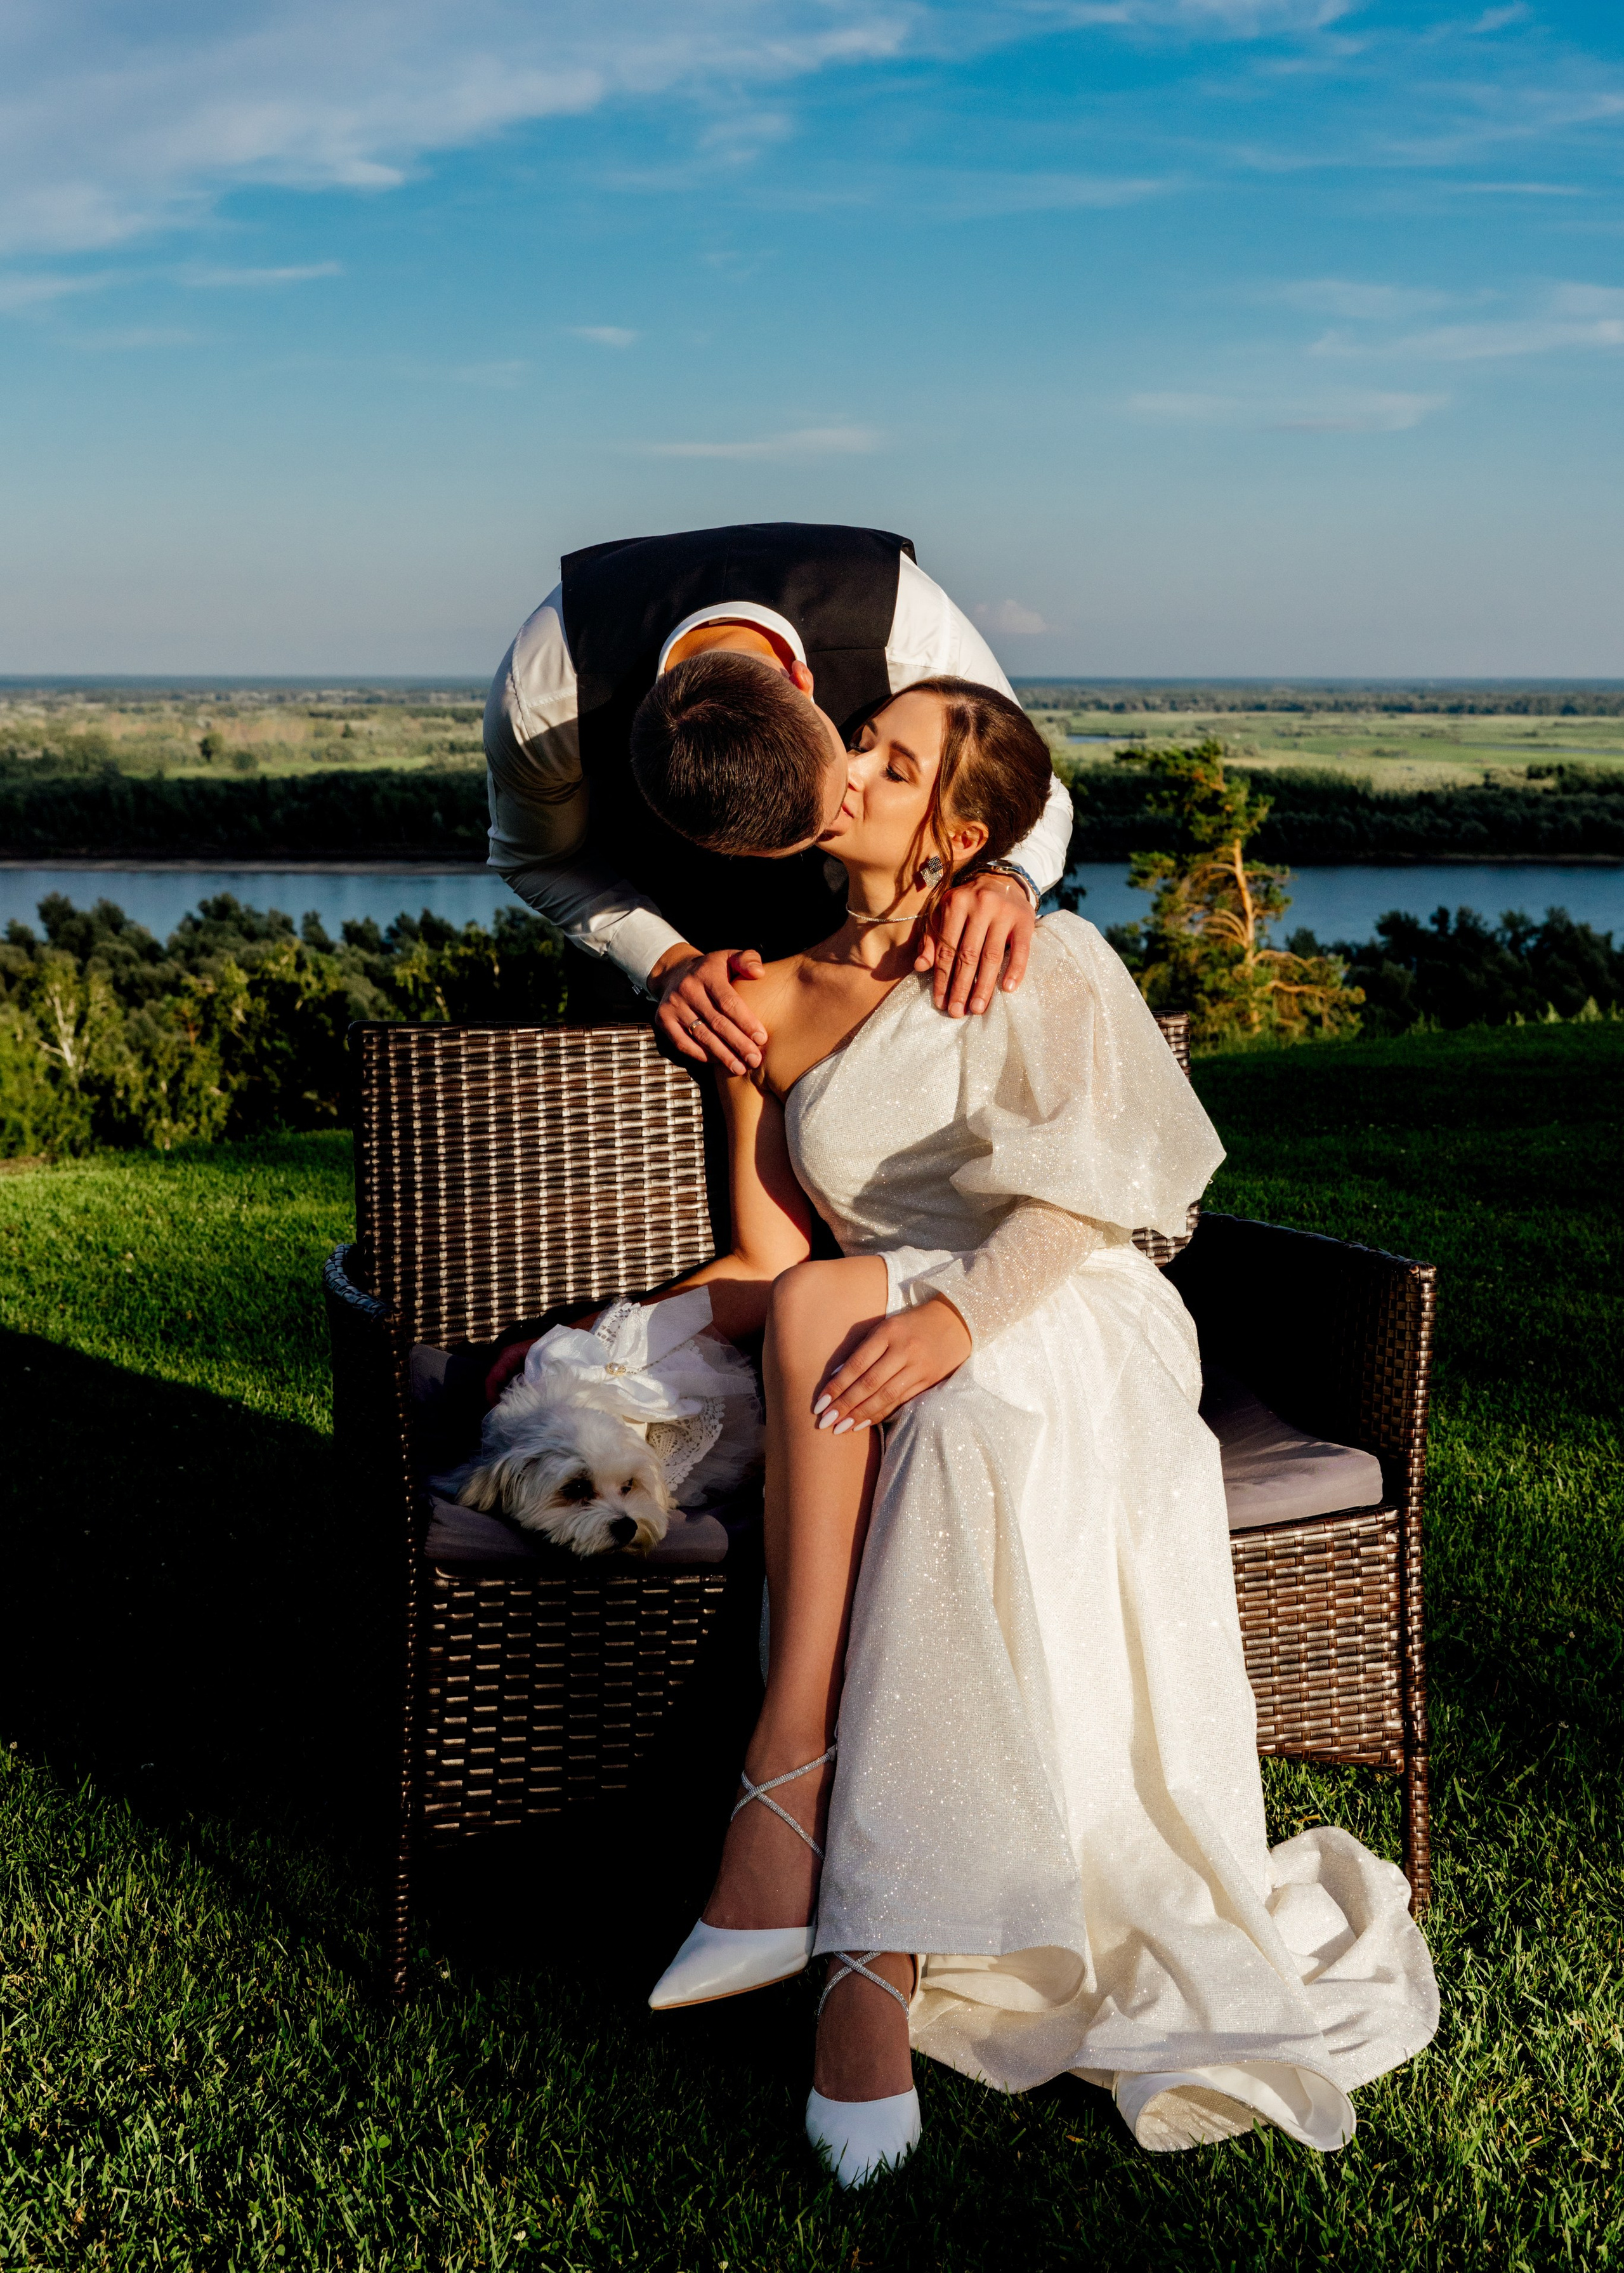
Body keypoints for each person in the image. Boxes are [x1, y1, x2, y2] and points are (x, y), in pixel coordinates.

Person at [642, 676, 1439, 2187]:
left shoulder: (1038, 948)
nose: (850, 770)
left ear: (955, 831)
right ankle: (811, 1823)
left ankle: (835, 1919)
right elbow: (764, 1269)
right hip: (870, 1312)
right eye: (857, 742)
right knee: (827, 1316)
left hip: (1060, 1304)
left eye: (889, 760)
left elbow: (1089, 1196)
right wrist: (601, 1346)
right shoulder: (765, 997)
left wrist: (954, 1322)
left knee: (935, 1415)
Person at [483, 522, 1073, 1074]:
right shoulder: (544, 701)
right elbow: (538, 857)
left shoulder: (909, 630)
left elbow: (1034, 790)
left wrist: (1008, 878)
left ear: (801, 679)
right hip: (656, 979)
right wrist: (665, 962)